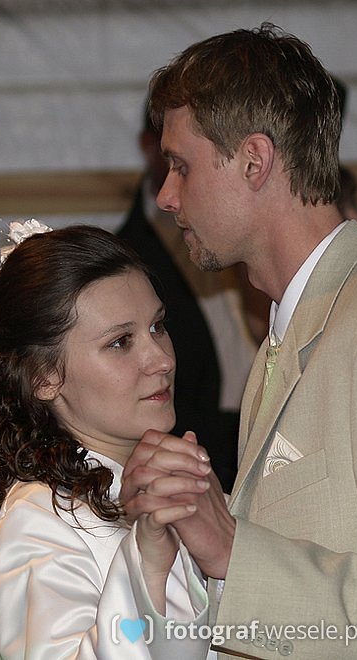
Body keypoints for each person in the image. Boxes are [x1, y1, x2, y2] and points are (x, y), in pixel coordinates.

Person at [120, 23, 357, 658]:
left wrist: (232, 548)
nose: (166, 195)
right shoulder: (286, 336)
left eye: (181, 166)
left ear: (254, 162)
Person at [0, 220, 211, 659]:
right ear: (45, 377)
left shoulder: (158, 483)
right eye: (121, 342)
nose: (161, 359)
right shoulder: (38, 522)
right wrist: (146, 562)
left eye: (157, 326)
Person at [118, 104, 259, 493]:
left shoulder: (247, 227)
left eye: (183, 165)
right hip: (197, 450)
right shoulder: (124, 257)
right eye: (172, 161)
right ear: (148, 146)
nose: (170, 191)